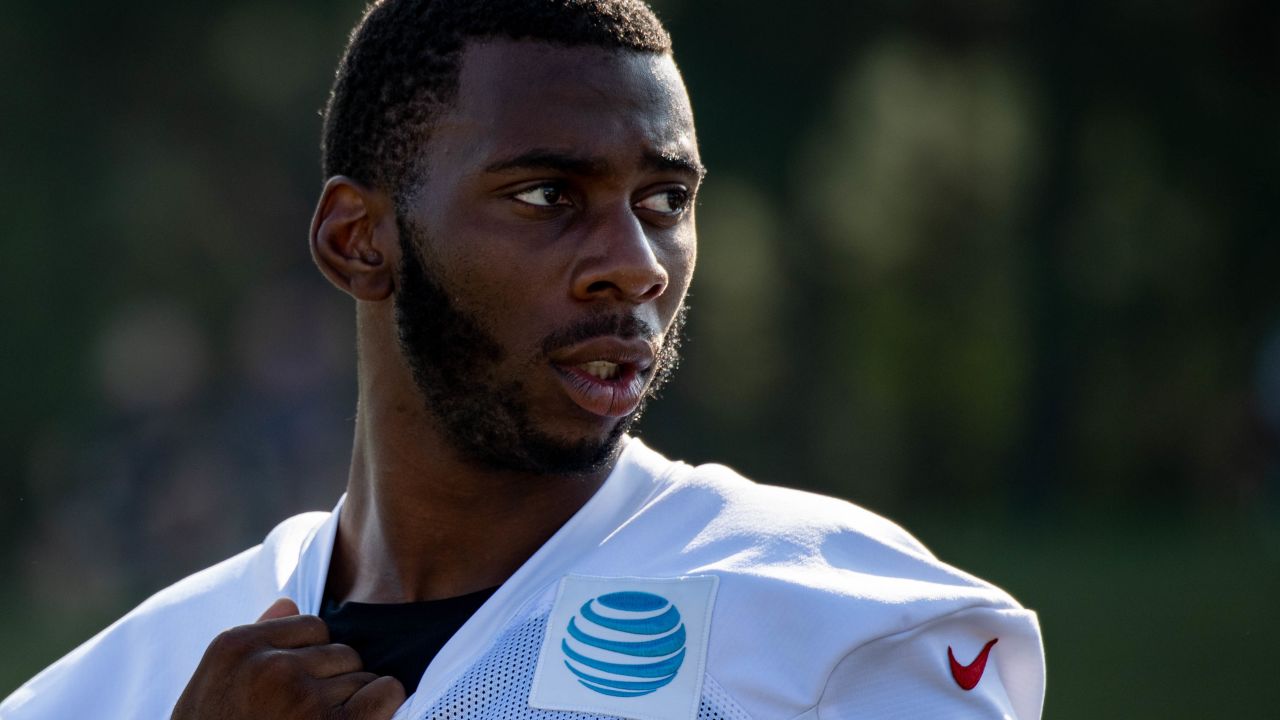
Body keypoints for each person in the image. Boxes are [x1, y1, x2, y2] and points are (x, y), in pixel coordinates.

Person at [0, 1, 1046, 718]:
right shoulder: (115, 688)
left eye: (664, 203)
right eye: (548, 196)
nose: (634, 267)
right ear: (356, 241)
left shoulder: (842, 627)